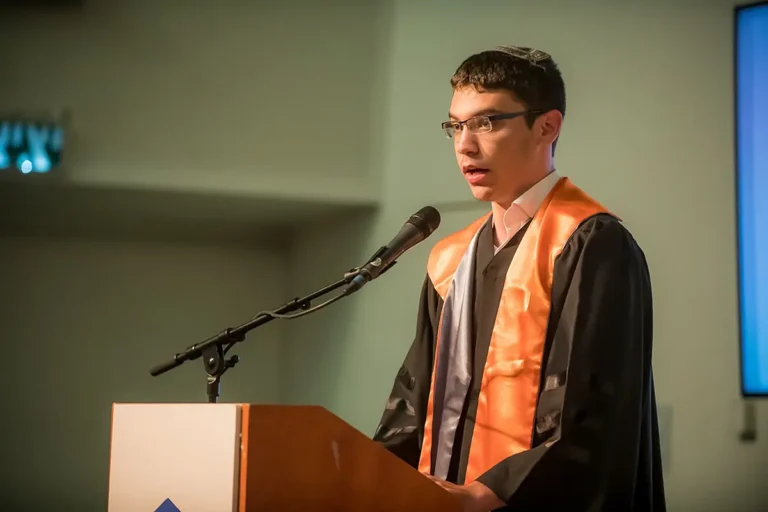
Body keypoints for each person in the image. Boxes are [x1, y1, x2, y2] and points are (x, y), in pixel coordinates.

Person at [372, 45, 666, 512]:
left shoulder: (590, 243)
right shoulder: (451, 260)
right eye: (456, 126)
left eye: (487, 123)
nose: (465, 145)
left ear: (546, 126)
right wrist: (366, 477)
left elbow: (593, 411)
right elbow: (411, 407)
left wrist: (488, 494)